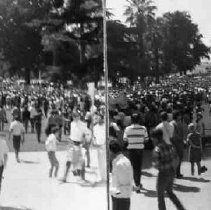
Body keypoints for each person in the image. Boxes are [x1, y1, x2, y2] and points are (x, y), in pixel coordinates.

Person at [151, 129, 186, 210]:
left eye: (152, 138)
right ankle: (181, 208)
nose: (152, 140)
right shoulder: (169, 145)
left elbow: (156, 165)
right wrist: (173, 169)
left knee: (160, 196)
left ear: (155, 138)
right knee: (170, 193)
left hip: (163, 174)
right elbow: (177, 158)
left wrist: (154, 164)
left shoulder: (157, 149)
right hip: (171, 172)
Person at [123, 113, 148, 192]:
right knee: (138, 168)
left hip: (131, 150)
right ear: (139, 120)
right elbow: (146, 139)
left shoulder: (127, 129)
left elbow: (125, 139)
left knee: (133, 167)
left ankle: (137, 184)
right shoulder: (143, 128)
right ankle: (138, 184)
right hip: (140, 150)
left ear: (132, 120)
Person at [109, 140, 133, 210]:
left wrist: (113, 191)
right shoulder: (117, 161)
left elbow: (125, 186)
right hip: (117, 198)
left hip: (121, 199)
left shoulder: (120, 164)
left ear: (111, 151)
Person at [170, 111, 184, 178]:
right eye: (179, 115)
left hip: (178, 143)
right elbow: (174, 135)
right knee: (177, 158)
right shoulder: (173, 123)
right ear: (177, 116)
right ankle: (176, 173)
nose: (180, 116)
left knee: (179, 158)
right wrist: (181, 139)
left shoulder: (177, 122)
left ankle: (177, 173)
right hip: (176, 143)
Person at [93, 114, 106, 182]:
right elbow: (94, 137)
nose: (98, 120)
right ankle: (101, 176)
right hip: (98, 146)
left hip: (105, 146)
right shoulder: (95, 127)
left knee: (105, 162)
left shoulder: (105, 127)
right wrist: (95, 143)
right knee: (99, 162)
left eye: (100, 119)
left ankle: (105, 176)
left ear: (103, 119)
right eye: (97, 119)